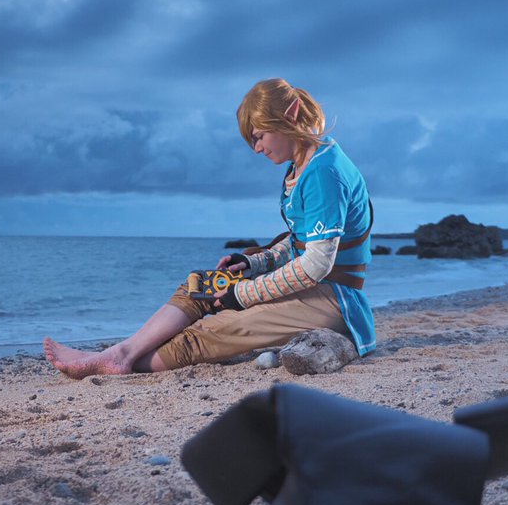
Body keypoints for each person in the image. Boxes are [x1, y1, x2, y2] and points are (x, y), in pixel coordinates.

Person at [43, 78, 375, 377]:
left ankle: (119, 362)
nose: (257, 148)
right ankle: (120, 353)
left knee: (217, 330)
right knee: (199, 286)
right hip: (315, 288)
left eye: (259, 136)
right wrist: (254, 264)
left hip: (335, 301)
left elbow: (316, 264)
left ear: (289, 115)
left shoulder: (323, 172)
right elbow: (299, 240)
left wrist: (241, 294)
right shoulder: (303, 165)